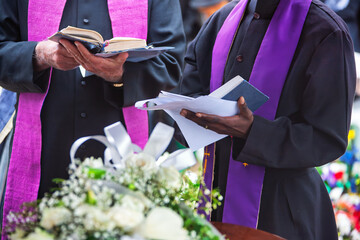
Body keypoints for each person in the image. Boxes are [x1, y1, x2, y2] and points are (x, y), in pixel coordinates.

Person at [177, 0, 356, 239]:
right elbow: (188, 89)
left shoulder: (325, 31)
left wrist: (253, 131)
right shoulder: (222, 20)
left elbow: (327, 138)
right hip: (215, 203)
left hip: (283, 213)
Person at [0, 0, 185, 230]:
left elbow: (171, 64)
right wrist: (39, 55)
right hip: (43, 152)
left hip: (123, 154)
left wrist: (120, 74)